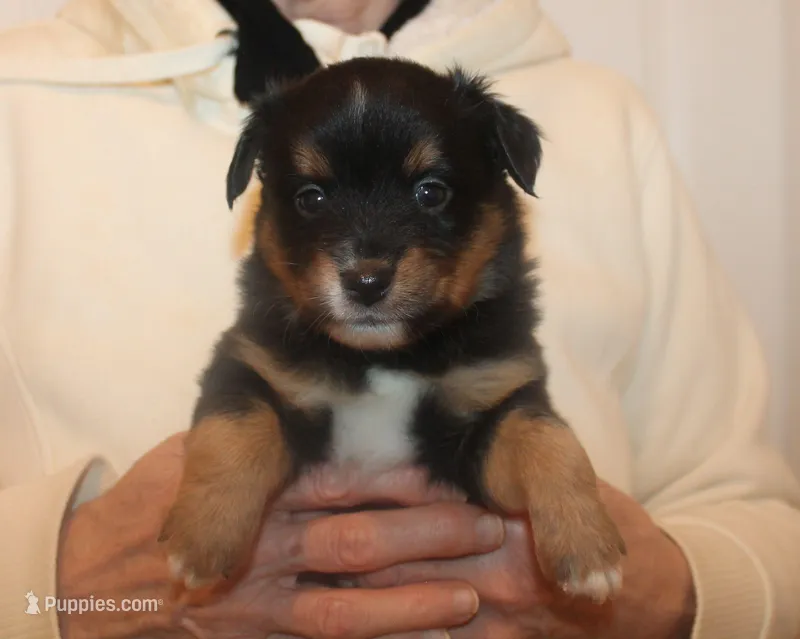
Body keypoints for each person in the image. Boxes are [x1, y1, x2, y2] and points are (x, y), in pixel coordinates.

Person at [0, 0, 798, 637]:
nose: (366, 264)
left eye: (431, 193)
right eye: (310, 199)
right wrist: (49, 587)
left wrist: (675, 595)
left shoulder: (607, 111)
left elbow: (763, 523)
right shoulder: (17, 96)